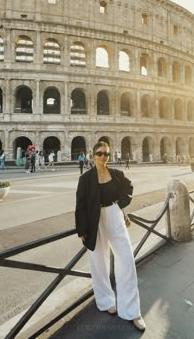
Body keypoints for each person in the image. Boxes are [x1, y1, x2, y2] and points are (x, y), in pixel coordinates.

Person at [75, 141, 146, 331]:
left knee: (127, 260)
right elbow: (80, 204)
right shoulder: (86, 178)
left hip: (114, 215)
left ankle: (132, 311)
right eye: (99, 154)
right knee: (99, 262)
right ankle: (106, 301)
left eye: (106, 154)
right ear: (92, 155)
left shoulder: (116, 174)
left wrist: (120, 203)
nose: (103, 157)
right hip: (94, 220)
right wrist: (81, 229)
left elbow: (128, 188)